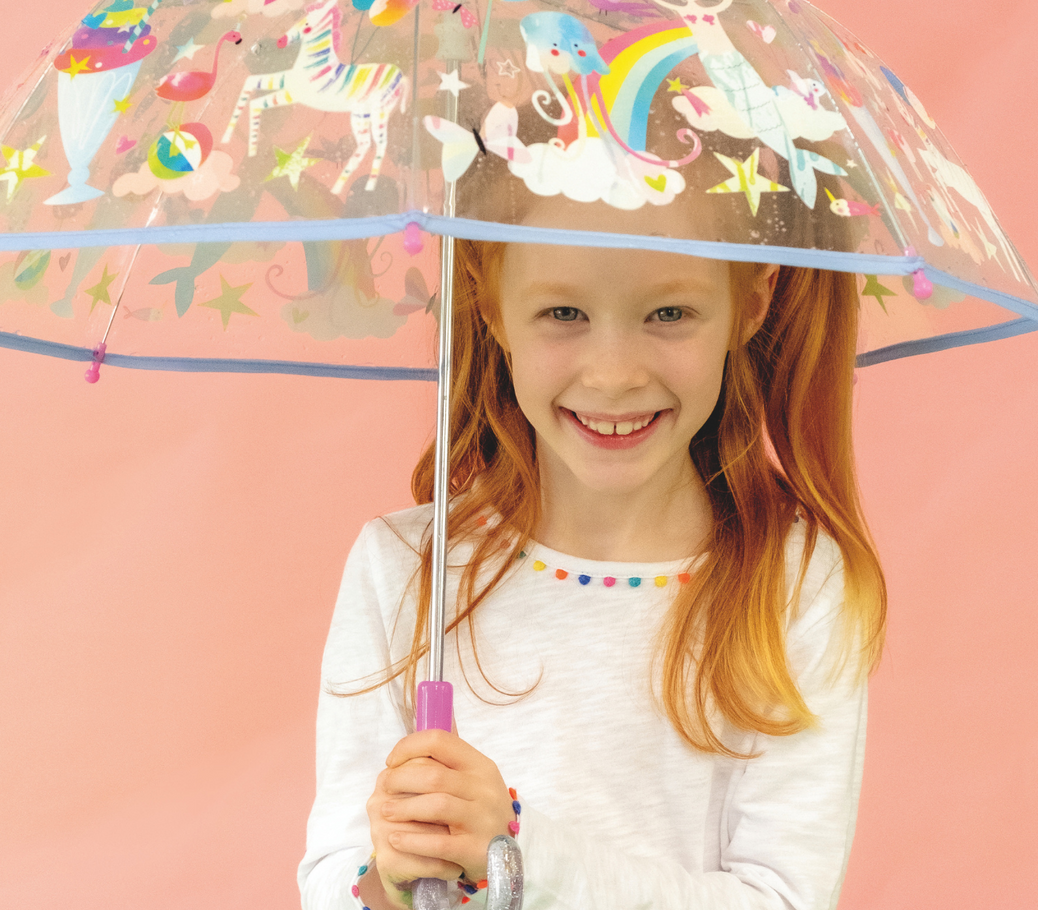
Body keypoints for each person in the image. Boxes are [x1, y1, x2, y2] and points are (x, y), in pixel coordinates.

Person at [298, 208, 887, 910]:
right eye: (563, 312)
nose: (613, 376)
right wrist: (393, 881)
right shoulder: (400, 569)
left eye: (669, 312)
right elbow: (335, 882)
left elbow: (783, 899)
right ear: (488, 302)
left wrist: (515, 847)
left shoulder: (796, 583)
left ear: (749, 305)